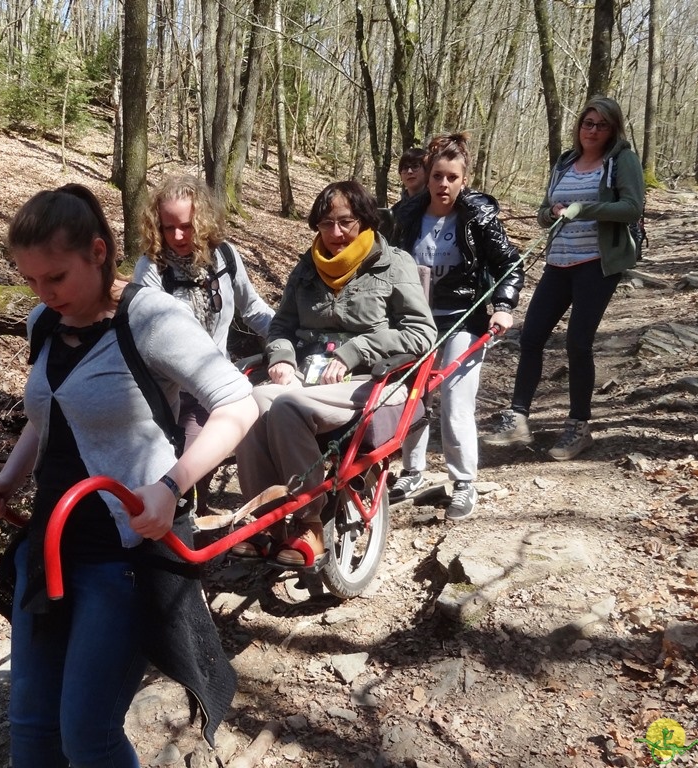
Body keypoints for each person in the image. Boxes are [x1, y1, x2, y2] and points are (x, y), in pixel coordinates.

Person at [0, 184, 258, 767]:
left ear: (98, 253)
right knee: (30, 728)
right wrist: (8, 476)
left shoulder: (150, 318)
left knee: (88, 735)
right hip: (49, 548)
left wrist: (171, 486)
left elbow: (238, 404)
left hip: (125, 559)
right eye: (30, 280)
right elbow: (50, 415)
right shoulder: (43, 324)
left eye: (55, 278)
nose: (42, 293)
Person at [234, 180, 436, 565]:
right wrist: (280, 357)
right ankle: (264, 522)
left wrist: (355, 350)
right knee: (253, 401)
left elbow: (422, 333)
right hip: (307, 374)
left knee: (288, 406)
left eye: (346, 222)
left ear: (364, 220)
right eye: (327, 223)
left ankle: (311, 522)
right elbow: (281, 326)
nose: (336, 233)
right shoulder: (308, 267)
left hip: (369, 379)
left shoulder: (393, 263)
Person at [480, 95, 645, 460]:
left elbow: (632, 206)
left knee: (578, 343)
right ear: (579, 126)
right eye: (588, 123)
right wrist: (551, 212)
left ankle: (578, 426)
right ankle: (518, 416)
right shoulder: (565, 161)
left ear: (612, 128)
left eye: (601, 125)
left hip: (597, 263)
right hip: (558, 261)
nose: (593, 130)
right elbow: (543, 210)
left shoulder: (622, 160)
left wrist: (584, 209)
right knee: (533, 335)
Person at [390, 134, 523, 520]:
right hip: (414, 320)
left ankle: (464, 481)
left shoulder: (478, 217)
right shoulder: (406, 216)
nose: (443, 184)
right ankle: (411, 472)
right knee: (409, 397)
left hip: (463, 316)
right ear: (426, 178)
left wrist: (503, 305)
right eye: (436, 176)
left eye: (451, 177)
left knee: (455, 397)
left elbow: (510, 265)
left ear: (464, 179)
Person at [133, 175, 274, 511]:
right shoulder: (152, 269)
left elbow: (253, 309)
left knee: (204, 468)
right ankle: (185, 531)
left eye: (186, 225)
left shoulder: (224, 257)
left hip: (217, 387)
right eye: (168, 228)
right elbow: (142, 337)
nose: (178, 236)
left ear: (202, 220)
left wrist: (286, 339)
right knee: (180, 476)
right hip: (171, 394)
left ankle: (211, 519)